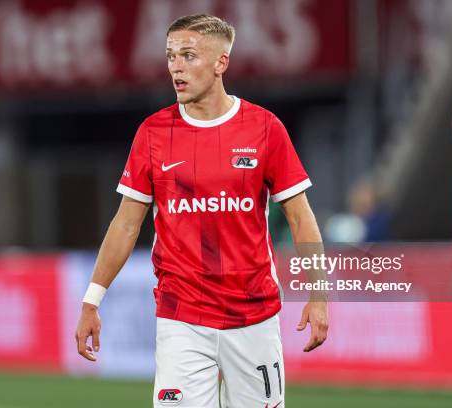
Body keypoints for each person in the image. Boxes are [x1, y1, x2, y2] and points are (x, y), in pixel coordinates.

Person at [75, 14, 328, 407]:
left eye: (188, 55)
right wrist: (92, 300)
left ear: (220, 63)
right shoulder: (153, 133)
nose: (175, 66)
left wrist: (319, 294)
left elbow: (301, 217)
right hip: (182, 316)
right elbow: (125, 225)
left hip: (254, 315)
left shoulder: (264, 128)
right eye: (170, 55)